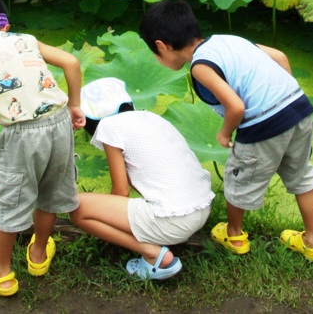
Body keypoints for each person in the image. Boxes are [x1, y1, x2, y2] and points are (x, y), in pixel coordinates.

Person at [139, 0, 313, 262]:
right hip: (298, 109)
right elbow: (280, 57)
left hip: (263, 125)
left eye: (153, 52)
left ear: (161, 46)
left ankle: (234, 235)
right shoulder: (228, 39)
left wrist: (225, 133)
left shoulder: (200, 66)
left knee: (237, 181)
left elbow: (236, 107)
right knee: (301, 177)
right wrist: (282, 96)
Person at [0, 0, 85, 297]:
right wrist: (75, 105)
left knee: (9, 200)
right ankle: (38, 254)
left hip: (22, 133)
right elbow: (71, 62)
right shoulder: (26, 39)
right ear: (5, 26)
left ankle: (1, 275)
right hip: (59, 122)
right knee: (50, 191)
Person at [70, 77, 214, 280]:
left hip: (173, 222)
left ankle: (154, 254)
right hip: (201, 209)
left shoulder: (109, 126)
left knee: (77, 208)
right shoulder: (151, 117)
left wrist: (107, 216)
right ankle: (155, 239)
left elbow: (121, 191)